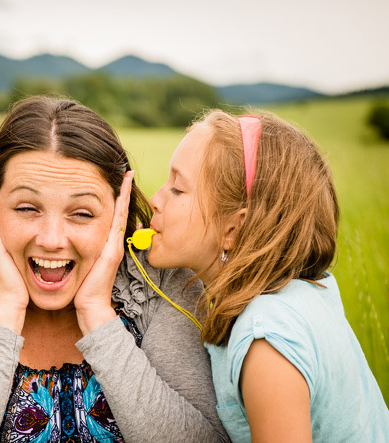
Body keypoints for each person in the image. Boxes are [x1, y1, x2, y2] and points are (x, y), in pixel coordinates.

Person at [0, 96, 229, 442]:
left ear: (118, 211)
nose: (51, 240)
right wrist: (5, 313)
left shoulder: (164, 283)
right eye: (26, 208)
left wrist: (98, 315)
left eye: (82, 213)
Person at [147, 109, 389, 442]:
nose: (153, 200)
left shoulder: (266, 340)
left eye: (177, 189)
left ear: (234, 227)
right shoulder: (305, 293)